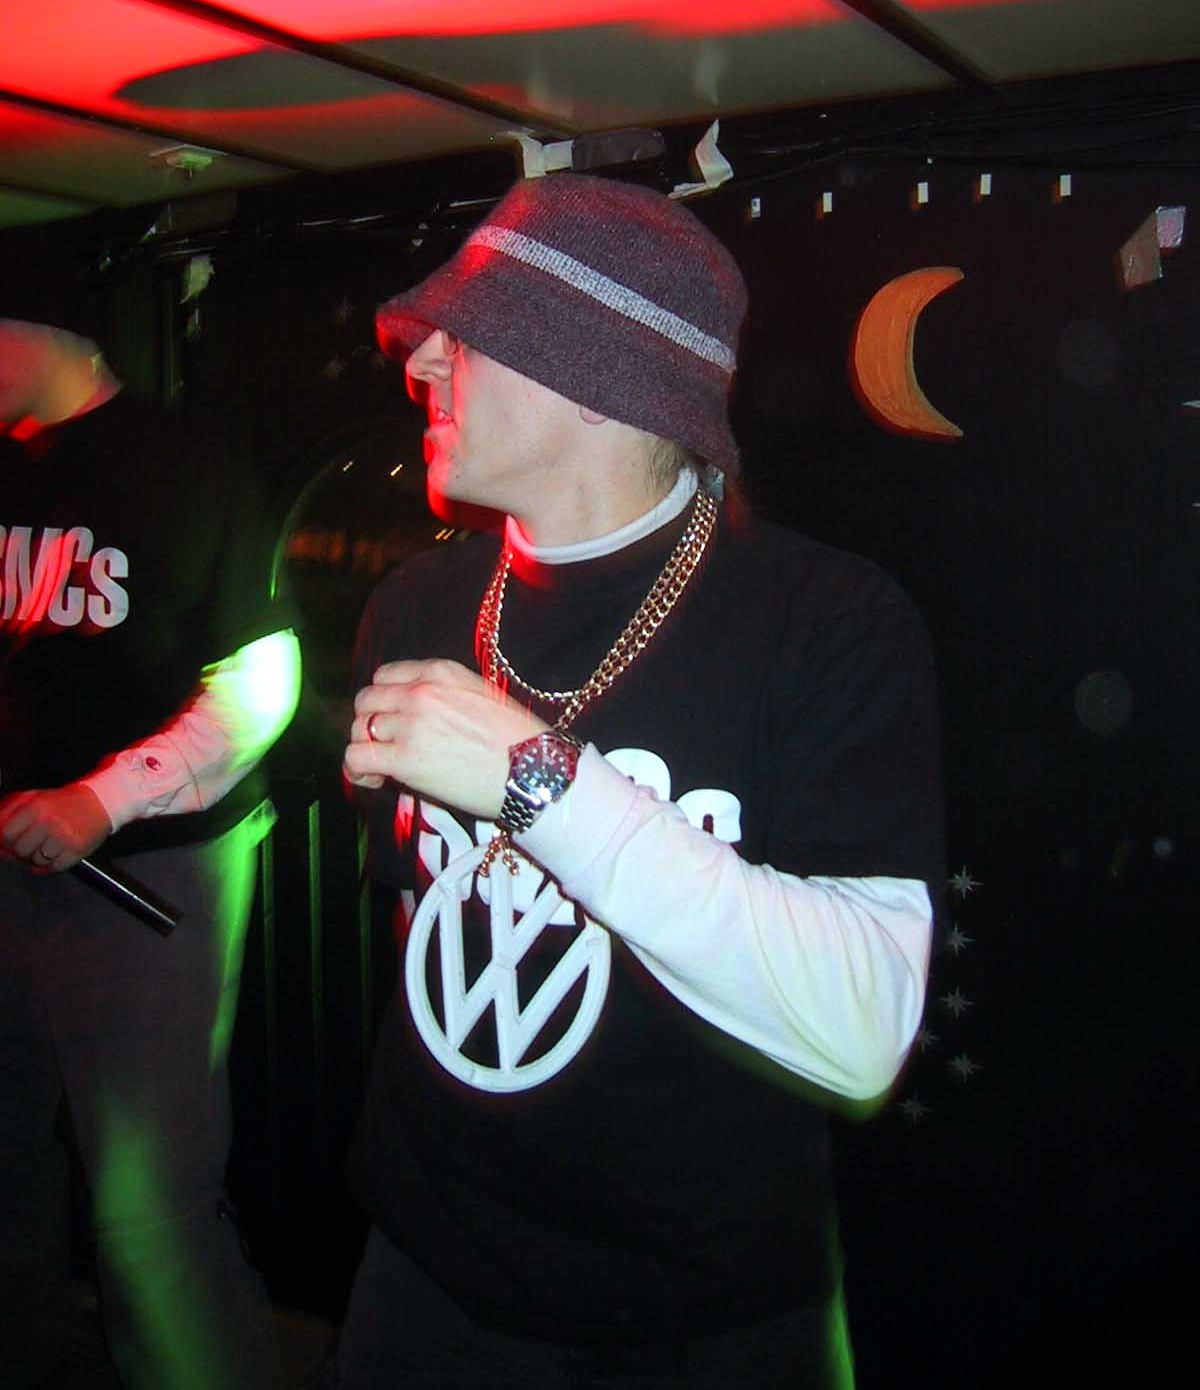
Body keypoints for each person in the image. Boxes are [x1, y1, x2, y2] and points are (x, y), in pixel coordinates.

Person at [335, 172, 943, 1388]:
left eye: (468, 334)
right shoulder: (416, 604)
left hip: (699, 1321)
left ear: (599, 374)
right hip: (420, 1284)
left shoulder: (824, 622)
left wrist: (539, 782)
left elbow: (866, 1026)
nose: (423, 362)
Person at [0, 319, 301, 1390]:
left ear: (43, 331)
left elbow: (263, 679)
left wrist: (102, 798)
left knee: (148, 1203)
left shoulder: (185, 463)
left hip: (146, 873)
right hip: (16, 865)